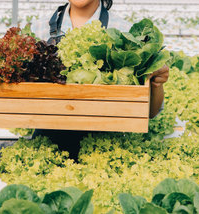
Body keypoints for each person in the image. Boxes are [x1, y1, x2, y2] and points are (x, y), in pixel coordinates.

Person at [30, 0, 169, 159]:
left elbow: (150, 111)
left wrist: (157, 83)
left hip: (106, 147)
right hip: (47, 147)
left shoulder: (125, 31)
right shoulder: (39, 28)